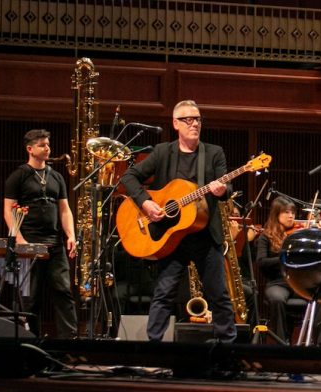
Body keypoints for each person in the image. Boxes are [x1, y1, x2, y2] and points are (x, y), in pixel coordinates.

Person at [119, 100, 236, 342]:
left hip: (204, 234)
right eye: (188, 119)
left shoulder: (214, 153)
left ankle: (228, 348)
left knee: (218, 294)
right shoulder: (162, 152)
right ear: (175, 123)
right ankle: (155, 347)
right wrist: (146, 203)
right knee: (163, 293)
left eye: (198, 119)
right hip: (170, 235)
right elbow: (129, 176)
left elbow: (227, 187)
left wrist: (220, 190)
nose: (194, 123)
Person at [3, 129, 78, 339]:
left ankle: (69, 341)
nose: (48, 148)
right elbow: (8, 210)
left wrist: (70, 235)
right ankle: (30, 340)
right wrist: (19, 239)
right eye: (42, 145)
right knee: (30, 298)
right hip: (29, 244)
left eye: (48, 144)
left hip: (54, 244)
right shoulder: (18, 176)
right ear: (30, 149)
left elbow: (64, 209)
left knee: (63, 292)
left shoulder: (56, 177)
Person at [255, 196, 303, 342]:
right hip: (277, 283)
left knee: (320, 298)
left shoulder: (298, 234)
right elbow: (261, 262)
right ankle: (281, 343)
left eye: (293, 213)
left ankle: (316, 344)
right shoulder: (266, 237)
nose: (291, 216)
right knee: (277, 299)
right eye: (286, 212)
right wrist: (284, 257)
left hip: (299, 283)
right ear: (276, 214)